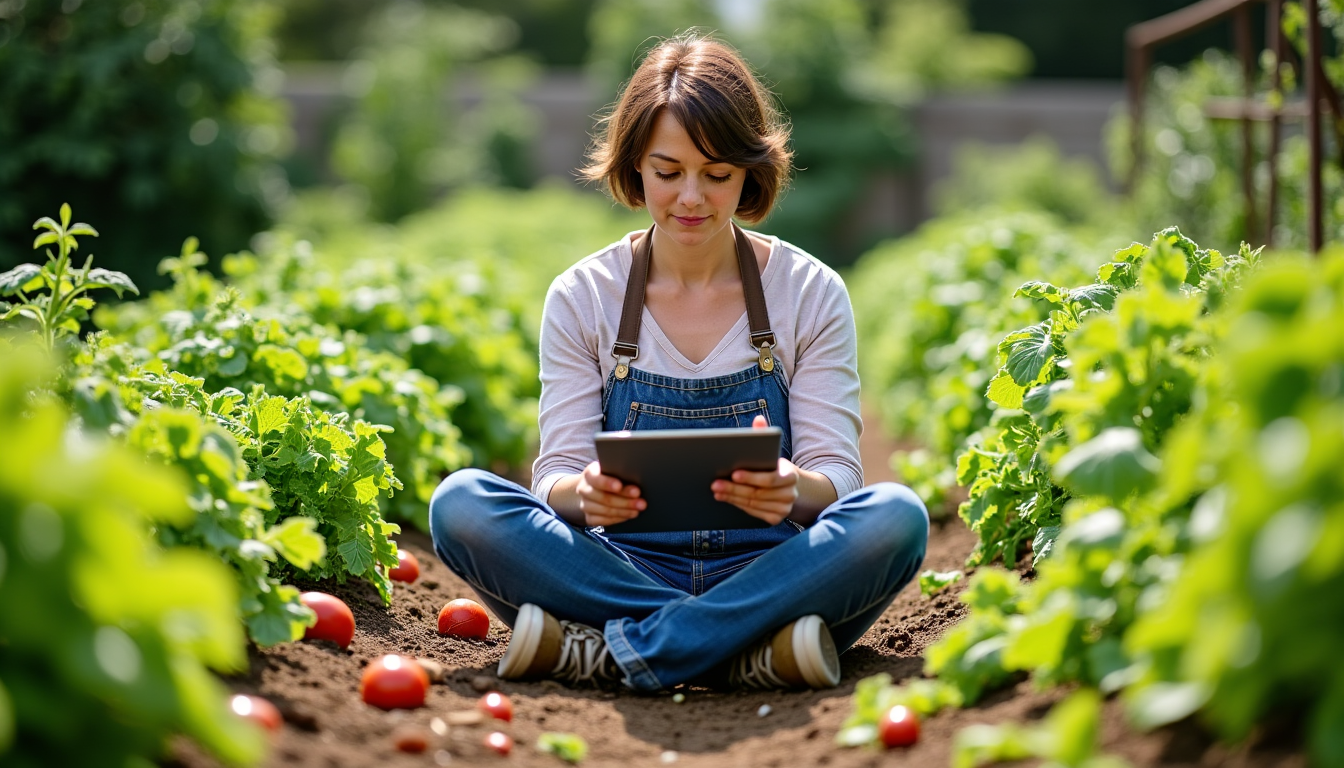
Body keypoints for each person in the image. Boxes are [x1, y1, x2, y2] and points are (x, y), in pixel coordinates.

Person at [429, 32, 928, 693]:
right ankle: (747, 652)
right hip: (618, 567)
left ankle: (610, 652)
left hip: (770, 567)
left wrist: (793, 488)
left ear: (750, 170)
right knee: (462, 505)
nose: (691, 197)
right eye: (668, 172)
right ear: (635, 166)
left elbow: (837, 476)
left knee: (896, 517)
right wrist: (582, 492)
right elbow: (553, 473)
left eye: (716, 174)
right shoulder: (585, 296)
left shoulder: (809, 292)